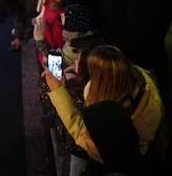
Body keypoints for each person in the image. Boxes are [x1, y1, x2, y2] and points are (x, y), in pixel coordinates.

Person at [42, 45, 149, 176]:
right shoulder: (133, 88)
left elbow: (80, 135)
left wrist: (58, 91)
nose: (86, 138)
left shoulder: (113, 121)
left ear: (101, 81)